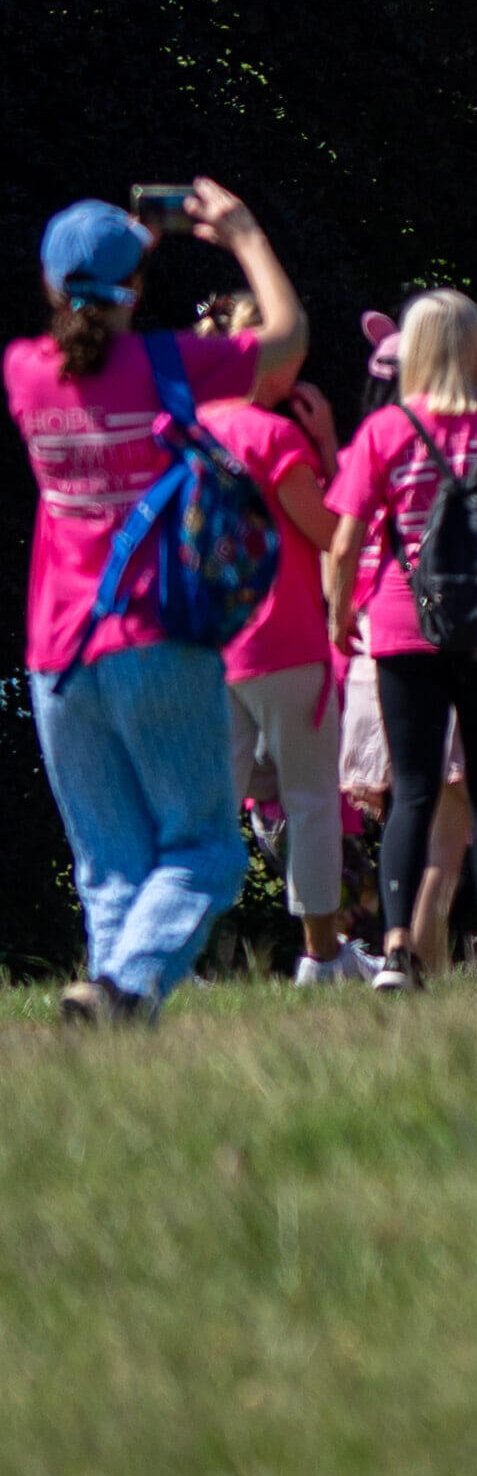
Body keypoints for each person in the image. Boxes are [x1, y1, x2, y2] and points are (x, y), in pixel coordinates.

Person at [18, 185, 307, 1023]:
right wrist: (244, 234)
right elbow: (285, 342)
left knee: (109, 863)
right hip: (156, 641)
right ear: (136, 292)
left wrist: (122, 252)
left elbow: (80, 320)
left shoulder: (24, 374)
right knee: (206, 852)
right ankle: (126, 986)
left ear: (47, 286)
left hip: (56, 656)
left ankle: (107, 1019)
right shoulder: (166, 366)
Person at [330, 287, 477, 987]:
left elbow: (347, 538)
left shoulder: (385, 433)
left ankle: (394, 949)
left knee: (411, 791)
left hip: (399, 621)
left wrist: (338, 614)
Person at [196, 330, 355, 980]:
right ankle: (321, 957)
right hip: (281, 644)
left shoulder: (187, 428)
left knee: (207, 811)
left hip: (208, 648)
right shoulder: (273, 437)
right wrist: (328, 449)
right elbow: (330, 532)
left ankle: (172, 956)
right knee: (312, 799)